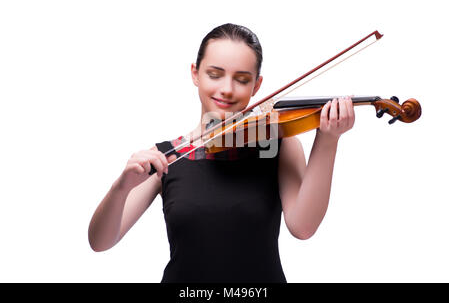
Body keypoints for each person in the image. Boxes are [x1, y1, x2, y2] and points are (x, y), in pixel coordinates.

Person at [88, 23, 355, 283]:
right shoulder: (167, 155)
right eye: (215, 74)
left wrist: (328, 139)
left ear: (257, 85)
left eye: (242, 79)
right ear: (195, 73)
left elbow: (303, 227)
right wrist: (120, 188)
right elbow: (100, 242)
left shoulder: (272, 145)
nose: (227, 89)